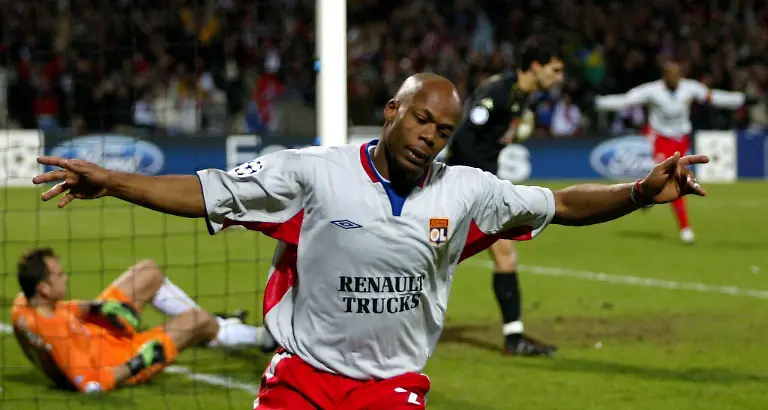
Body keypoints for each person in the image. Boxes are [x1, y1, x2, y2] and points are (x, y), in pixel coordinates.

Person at [32, 72, 708, 409]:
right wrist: (112, 182)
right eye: (420, 120)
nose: (429, 137)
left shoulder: (466, 191)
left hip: (391, 387)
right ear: (392, 111)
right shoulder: (312, 174)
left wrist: (638, 192)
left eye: (442, 132)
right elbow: (205, 192)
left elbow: (559, 204)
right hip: (302, 379)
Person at [11, 248, 276, 394]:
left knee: (147, 272)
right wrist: (140, 361)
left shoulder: (23, 306)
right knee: (199, 320)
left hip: (96, 332)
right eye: (59, 275)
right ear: (44, 288)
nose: (66, 277)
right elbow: (92, 385)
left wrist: (97, 308)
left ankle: (218, 328)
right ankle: (255, 337)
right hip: (123, 356)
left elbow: (61, 309)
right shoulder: (58, 336)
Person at [447, 43, 564, 356]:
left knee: (503, 254)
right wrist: (474, 183)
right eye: (555, 70)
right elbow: (465, 136)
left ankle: (514, 339)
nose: (559, 77)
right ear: (536, 65)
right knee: (429, 255)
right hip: (467, 187)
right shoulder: (499, 92)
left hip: (481, 186)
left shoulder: (520, 95)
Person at [595, 61, 746, 244]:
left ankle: (647, 197)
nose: (675, 79)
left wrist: (739, 99)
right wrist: (600, 102)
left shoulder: (690, 88)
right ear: (665, 76)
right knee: (672, 179)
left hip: (682, 140)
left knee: (669, 180)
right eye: (671, 75)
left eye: (677, 74)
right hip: (661, 140)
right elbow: (627, 100)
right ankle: (684, 227)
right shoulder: (652, 90)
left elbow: (713, 97)